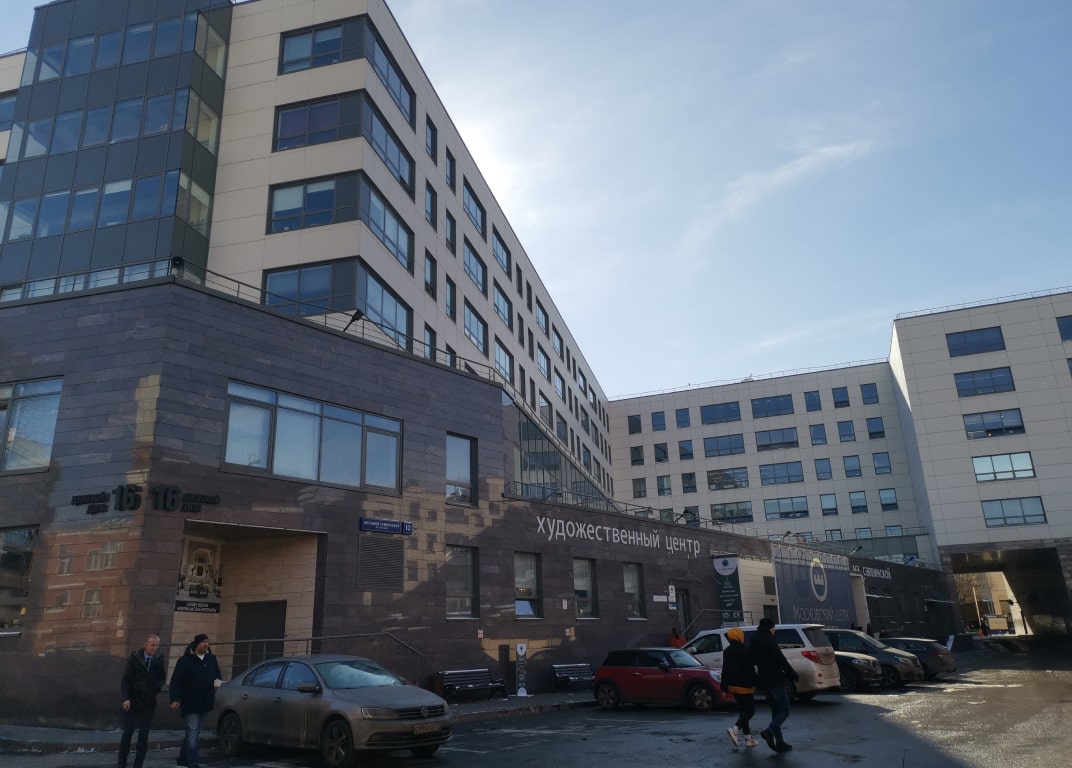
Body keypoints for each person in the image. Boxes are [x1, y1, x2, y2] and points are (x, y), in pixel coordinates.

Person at [169, 634, 222, 768]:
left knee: (194, 732)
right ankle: (193, 762)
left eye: (207, 642)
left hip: (206, 701)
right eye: (203, 642)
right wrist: (174, 699)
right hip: (190, 702)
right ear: (197, 644)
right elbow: (176, 681)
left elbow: (217, 673)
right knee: (192, 732)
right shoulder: (185, 661)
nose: (206, 644)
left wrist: (218, 681)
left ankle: (183, 759)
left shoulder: (211, 659)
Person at [749, 618, 799, 753]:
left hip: (763, 680)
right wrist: (793, 675)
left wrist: (756, 680)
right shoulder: (770, 641)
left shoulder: (754, 640)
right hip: (775, 680)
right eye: (773, 628)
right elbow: (780, 659)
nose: (774, 630)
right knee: (784, 710)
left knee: (775, 712)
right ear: (770, 628)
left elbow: (752, 661)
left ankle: (780, 742)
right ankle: (770, 731)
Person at [118, 634, 167, 768]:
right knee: (128, 732)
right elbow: (126, 680)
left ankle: (138, 764)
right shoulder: (135, 658)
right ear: (145, 645)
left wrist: (155, 688)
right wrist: (126, 698)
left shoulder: (158, 659)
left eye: (157, 645)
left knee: (144, 733)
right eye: (152, 645)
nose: (155, 648)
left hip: (149, 702)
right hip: (133, 701)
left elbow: (161, 678)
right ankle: (121, 762)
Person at [719, 627, 759, 748]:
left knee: (743, 711)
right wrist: (756, 683)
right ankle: (735, 728)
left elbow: (725, 669)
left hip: (732, 685)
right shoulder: (745, 650)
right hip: (744, 685)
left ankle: (748, 738)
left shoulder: (727, 651)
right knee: (750, 710)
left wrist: (724, 687)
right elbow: (749, 669)